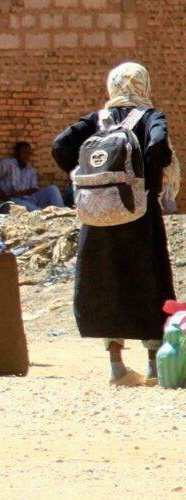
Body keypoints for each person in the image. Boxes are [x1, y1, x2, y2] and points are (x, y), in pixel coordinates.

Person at [52, 61, 179, 386]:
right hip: (139, 215)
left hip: (97, 217)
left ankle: (116, 366)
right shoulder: (150, 116)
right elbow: (158, 147)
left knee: (105, 284)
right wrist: (147, 184)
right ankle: (153, 364)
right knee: (149, 281)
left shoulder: (98, 119)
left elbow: (60, 147)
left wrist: (87, 179)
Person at [0, 142, 65, 212]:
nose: (27, 156)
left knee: (53, 189)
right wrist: (5, 197)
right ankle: (44, 216)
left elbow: (34, 189)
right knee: (34, 211)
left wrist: (20, 193)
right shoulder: (8, 164)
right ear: (16, 153)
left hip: (29, 201)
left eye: (29, 153)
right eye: (24, 153)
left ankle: (61, 215)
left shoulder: (31, 170)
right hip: (12, 202)